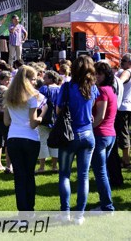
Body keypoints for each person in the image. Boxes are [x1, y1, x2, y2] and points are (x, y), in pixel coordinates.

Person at [57, 56, 99, 225]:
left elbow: (59, 110)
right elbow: (91, 106)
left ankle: (65, 213)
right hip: (87, 134)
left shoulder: (67, 87)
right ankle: (79, 215)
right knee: (83, 176)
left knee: (64, 174)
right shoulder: (93, 88)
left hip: (70, 135)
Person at [4, 65, 45, 211]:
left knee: (19, 178)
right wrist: (42, 115)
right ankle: (30, 210)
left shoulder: (8, 95)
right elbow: (33, 124)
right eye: (33, 79)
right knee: (29, 176)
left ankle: (22, 213)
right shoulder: (32, 97)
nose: (35, 82)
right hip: (30, 138)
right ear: (27, 80)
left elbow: (6, 121)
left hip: (13, 138)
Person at [90, 61, 118, 212]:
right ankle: (106, 203)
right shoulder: (110, 90)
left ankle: (107, 206)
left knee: (100, 172)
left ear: (105, 75)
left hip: (101, 134)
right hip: (109, 134)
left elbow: (100, 116)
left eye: (99, 74)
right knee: (103, 171)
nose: (96, 77)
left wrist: (89, 129)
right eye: (95, 74)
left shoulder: (102, 91)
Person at [115, 53, 131, 168]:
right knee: (124, 132)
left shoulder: (127, 72)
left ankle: (126, 160)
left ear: (130, 63)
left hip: (122, 107)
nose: (121, 62)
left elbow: (118, 82)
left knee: (122, 133)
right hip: (128, 106)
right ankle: (124, 159)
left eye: (123, 60)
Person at [37, 70, 61, 173]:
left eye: (45, 77)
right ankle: (54, 166)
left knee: (43, 141)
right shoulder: (60, 89)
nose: (43, 79)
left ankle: (42, 167)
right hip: (57, 119)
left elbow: (38, 103)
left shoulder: (43, 89)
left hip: (44, 118)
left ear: (51, 79)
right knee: (55, 142)